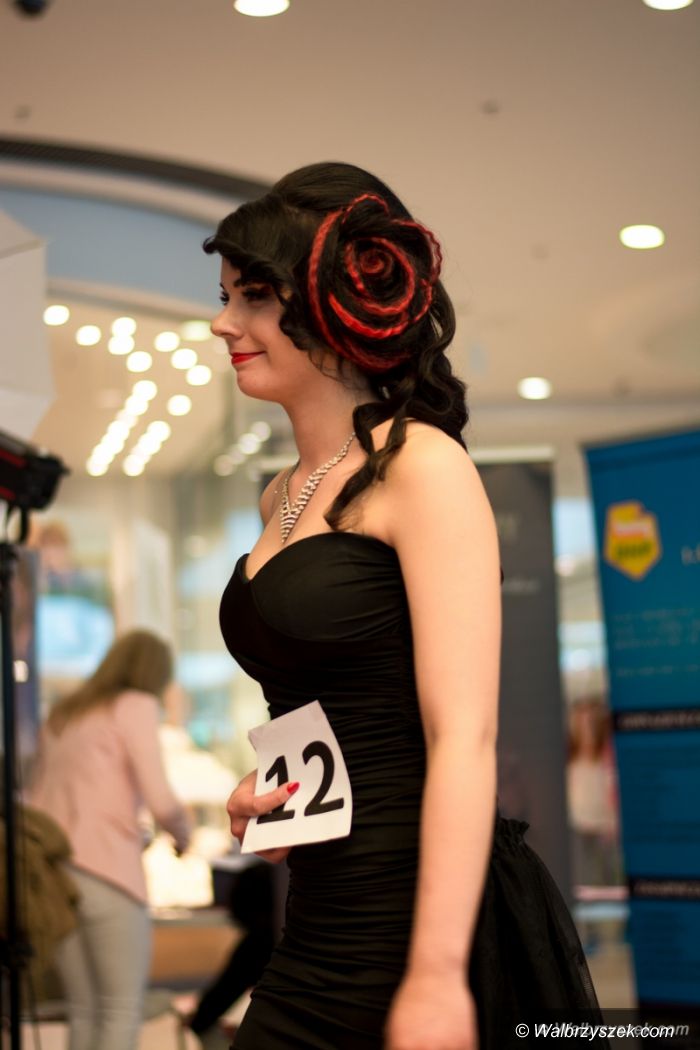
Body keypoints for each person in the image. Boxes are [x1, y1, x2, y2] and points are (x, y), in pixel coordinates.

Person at [208, 163, 603, 1050]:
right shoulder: (282, 493)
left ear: (335, 304)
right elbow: (329, 709)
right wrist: (278, 793)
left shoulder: (423, 466)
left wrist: (435, 977)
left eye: (254, 296)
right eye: (225, 296)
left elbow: (463, 737)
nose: (224, 323)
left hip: (414, 921)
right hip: (316, 914)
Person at [28, 629, 191, 1050]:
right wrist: (183, 835)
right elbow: (161, 798)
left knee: (84, 1010)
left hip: (55, 878)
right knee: (120, 1010)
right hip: (107, 872)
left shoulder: (64, 713)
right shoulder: (135, 705)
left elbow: (38, 798)